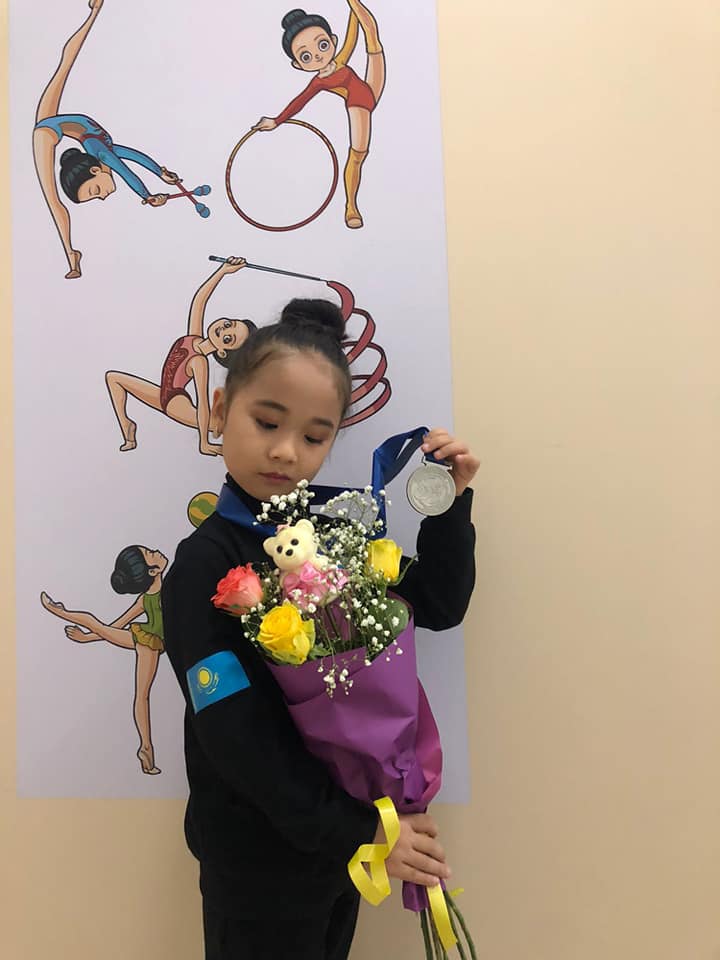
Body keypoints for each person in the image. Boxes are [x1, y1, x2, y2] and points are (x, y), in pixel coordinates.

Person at [161, 298, 480, 959]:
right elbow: (234, 736)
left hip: (342, 853)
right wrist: (363, 833)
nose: (285, 451)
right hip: (257, 861)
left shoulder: (335, 536)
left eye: (314, 437)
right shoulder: (201, 568)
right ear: (219, 409)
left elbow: (439, 605)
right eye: (266, 421)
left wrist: (450, 507)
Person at [33, 0, 182, 279]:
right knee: (65, 63)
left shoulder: (98, 152)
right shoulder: (99, 149)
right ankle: (71, 255)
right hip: (51, 122)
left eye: (93, 191)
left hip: (45, 133)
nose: (101, 196)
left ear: (95, 170)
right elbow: (130, 156)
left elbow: (126, 167)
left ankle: (94, 13)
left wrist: (149, 192)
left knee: (54, 201)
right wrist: (159, 175)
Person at [254, 2, 385, 229]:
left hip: (373, 84)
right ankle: (351, 206)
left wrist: (353, 6)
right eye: (306, 56)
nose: (317, 56)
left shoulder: (340, 58)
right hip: (358, 104)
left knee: (372, 35)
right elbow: (299, 102)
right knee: (357, 156)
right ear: (298, 65)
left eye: (322, 45)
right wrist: (276, 121)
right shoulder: (319, 82)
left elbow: (355, 31)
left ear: (333, 41)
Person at [105, 257, 254, 457]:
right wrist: (223, 271)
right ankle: (127, 426)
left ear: (222, 351)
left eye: (228, 339)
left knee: (224, 425)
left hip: (176, 404)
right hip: (163, 393)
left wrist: (204, 443)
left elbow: (203, 402)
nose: (223, 330)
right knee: (113, 378)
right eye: (229, 324)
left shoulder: (199, 362)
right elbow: (200, 300)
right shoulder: (193, 337)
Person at [40, 545, 167, 776]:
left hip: (146, 637)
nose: (157, 550)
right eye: (151, 553)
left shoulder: (148, 597)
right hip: (150, 642)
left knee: (141, 695)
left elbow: (114, 627)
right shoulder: (156, 595)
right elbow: (116, 625)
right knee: (142, 696)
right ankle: (146, 748)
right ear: (153, 571)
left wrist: (87, 638)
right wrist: (88, 638)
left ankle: (146, 749)